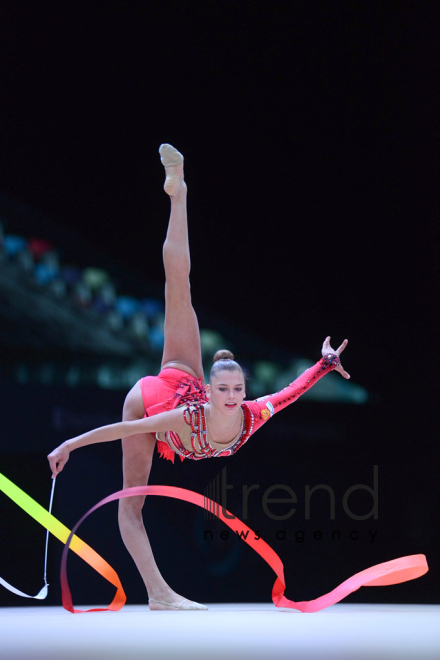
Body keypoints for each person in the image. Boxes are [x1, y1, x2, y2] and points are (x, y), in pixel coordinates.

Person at [47, 144, 350, 610]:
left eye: (237, 390)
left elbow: (292, 391)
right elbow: (126, 429)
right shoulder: (186, 419)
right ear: (210, 391)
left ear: (244, 392)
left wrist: (325, 363)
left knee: (179, 288)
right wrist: (70, 445)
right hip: (152, 399)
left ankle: (176, 191)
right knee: (179, 284)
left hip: (181, 382)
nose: (232, 398)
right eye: (224, 390)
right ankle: (178, 191)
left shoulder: (252, 415)